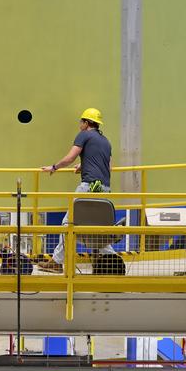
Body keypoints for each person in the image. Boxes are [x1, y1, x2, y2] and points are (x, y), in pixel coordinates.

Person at [35, 108, 112, 273]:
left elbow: (70, 158)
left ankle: (57, 262)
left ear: (86, 123)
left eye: (81, 122)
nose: (80, 125)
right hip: (104, 189)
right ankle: (112, 261)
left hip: (88, 187)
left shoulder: (84, 135)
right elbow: (107, 166)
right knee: (99, 228)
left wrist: (54, 167)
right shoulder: (105, 141)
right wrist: (83, 165)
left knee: (68, 223)